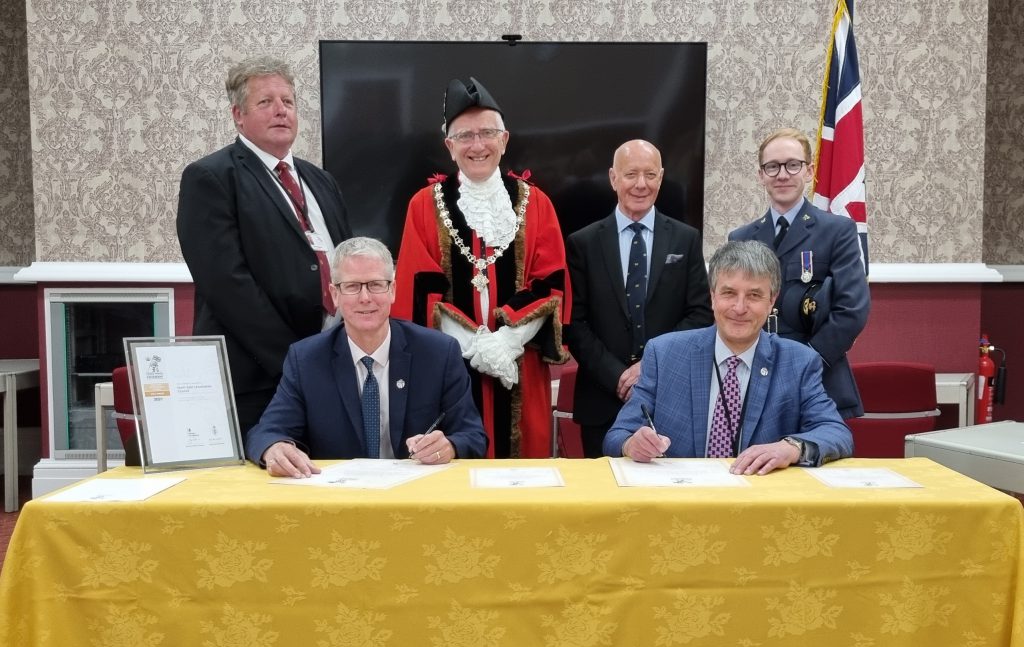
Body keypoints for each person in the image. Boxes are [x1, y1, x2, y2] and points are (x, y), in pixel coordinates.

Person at [393, 76, 570, 459]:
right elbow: (419, 289)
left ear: (504, 141)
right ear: (449, 146)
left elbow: (551, 282)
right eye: (465, 136)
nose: (478, 145)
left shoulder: (536, 203)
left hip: (520, 364)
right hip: (451, 365)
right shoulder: (423, 206)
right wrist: (477, 346)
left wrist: (506, 343)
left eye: (487, 133)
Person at [177, 56, 352, 438]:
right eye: (266, 102)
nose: (280, 111)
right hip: (256, 376)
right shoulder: (211, 177)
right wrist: (296, 359)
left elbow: (346, 263)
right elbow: (227, 285)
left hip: (330, 363)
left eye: (288, 102)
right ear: (238, 115)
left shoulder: (321, 180)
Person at [605, 239, 853, 475]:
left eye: (754, 295)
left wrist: (790, 448)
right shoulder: (664, 354)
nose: (739, 307)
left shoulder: (798, 362)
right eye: (729, 293)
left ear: (771, 301)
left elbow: (836, 433)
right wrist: (631, 444)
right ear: (712, 296)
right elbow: (617, 435)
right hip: (681, 500)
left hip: (758, 502)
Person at [246, 237, 487, 477]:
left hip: (416, 497)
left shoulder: (438, 352)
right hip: (339, 499)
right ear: (334, 294)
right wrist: (274, 448)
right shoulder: (306, 359)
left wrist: (450, 446)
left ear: (392, 290)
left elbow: (473, 436)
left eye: (375, 284)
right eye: (352, 286)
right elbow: (266, 433)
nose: (365, 298)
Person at [566, 139, 713, 457]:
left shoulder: (686, 239)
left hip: (671, 397)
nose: (641, 184)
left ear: (661, 177)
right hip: (602, 400)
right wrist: (618, 376)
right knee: (604, 501)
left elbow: (700, 314)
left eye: (650, 174)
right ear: (613, 178)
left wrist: (650, 367)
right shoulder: (583, 243)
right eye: (631, 174)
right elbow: (574, 324)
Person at [728, 127, 869, 419]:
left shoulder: (837, 231)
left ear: (809, 171)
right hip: (756, 376)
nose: (782, 174)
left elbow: (852, 310)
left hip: (819, 376)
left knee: (817, 461)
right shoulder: (740, 239)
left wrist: (805, 362)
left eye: (793, 165)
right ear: (761, 175)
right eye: (772, 167)